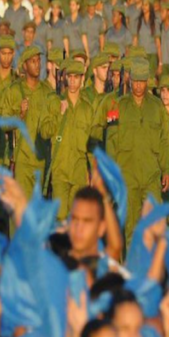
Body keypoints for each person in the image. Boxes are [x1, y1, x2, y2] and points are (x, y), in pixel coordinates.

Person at [92, 59, 169, 244]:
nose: (138, 85)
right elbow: (111, 142)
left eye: (142, 81)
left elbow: (163, 141)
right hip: (127, 175)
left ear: (147, 81)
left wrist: (167, 170)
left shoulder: (157, 107)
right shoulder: (116, 106)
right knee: (129, 227)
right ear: (129, 80)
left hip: (151, 175)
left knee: (154, 225)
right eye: (135, 80)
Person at [0, 46, 61, 197]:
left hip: (41, 160)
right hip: (21, 161)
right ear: (25, 66)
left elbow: (55, 126)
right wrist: (19, 115)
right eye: (33, 61)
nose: (37, 64)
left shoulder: (47, 92)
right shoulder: (14, 91)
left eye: (39, 61)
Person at [48, 60, 93, 221]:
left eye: (76, 77)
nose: (73, 81)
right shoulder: (55, 102)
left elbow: (91, 144)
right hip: (60, 170)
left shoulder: (87, 109)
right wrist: (59, 114)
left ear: (82, 79)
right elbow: (45, 132)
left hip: (79, 172)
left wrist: (92, 172)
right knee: (60, 218)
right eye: (70, 77)